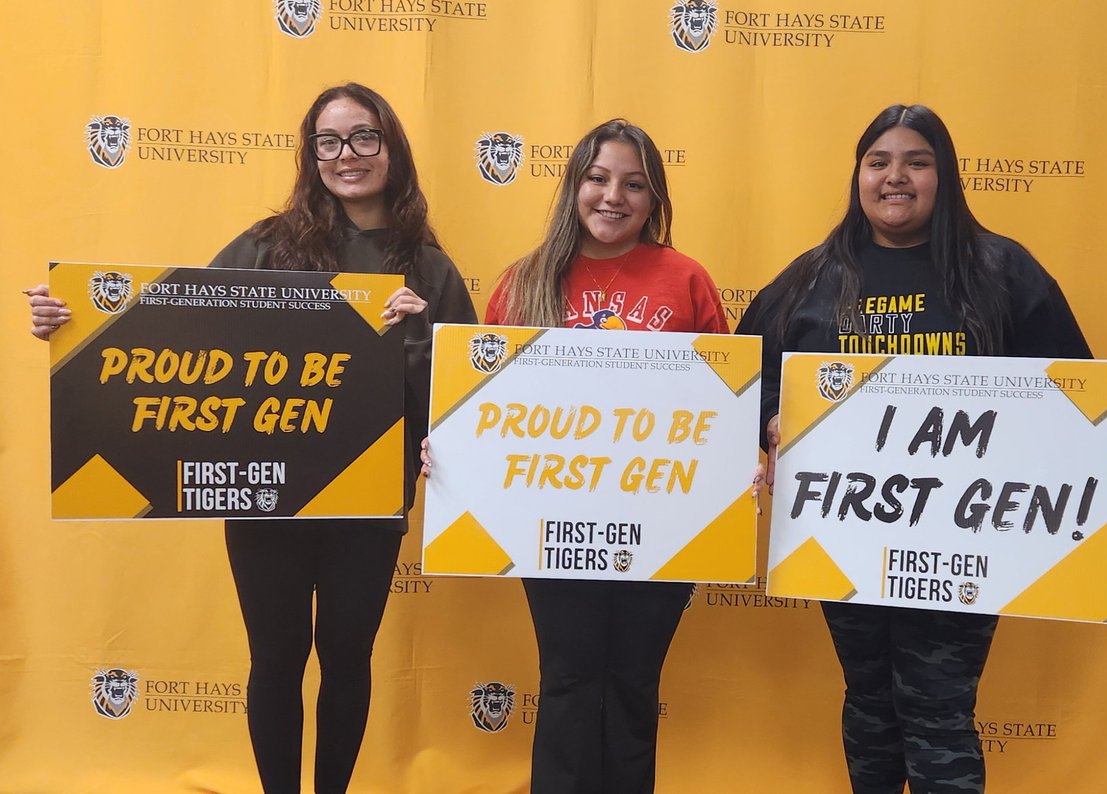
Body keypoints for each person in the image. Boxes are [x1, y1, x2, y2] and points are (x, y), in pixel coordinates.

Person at [28, 83, 477, 794]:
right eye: (327, 142)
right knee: (275, 657)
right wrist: (72, 323)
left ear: (391, 145)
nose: (346, 155)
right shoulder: (269, 245)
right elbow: (179, 325)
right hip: (265, 491)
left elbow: (459, 399)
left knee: (346, 655)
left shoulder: (430, 267)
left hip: (368, 498)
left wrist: (418, 331)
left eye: (364, 137)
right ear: (311, 155)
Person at [738, 103, 1107, 794]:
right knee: (869, 703)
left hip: (965, 539)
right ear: (858, 175)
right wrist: (769, 423)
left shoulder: (1003, 271)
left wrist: (1090, 470)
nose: (896, 177)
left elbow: (1069, 387)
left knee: (939, 707)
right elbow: (745, 380)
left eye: (917, 162)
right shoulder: (813, 277)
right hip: (842, 534)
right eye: (878, 162)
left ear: (944, 175)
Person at [472, 118, 731, 794]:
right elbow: (480, 408)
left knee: (634, 681)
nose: (612, 196)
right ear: (573, 187)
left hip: (665, 520)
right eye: (598, 178)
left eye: (633, 184)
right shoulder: (524, 283)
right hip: (552, 518)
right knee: (568, 675)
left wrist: (747, 455)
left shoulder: (687, 280)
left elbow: (725, 403)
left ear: (654, 199)